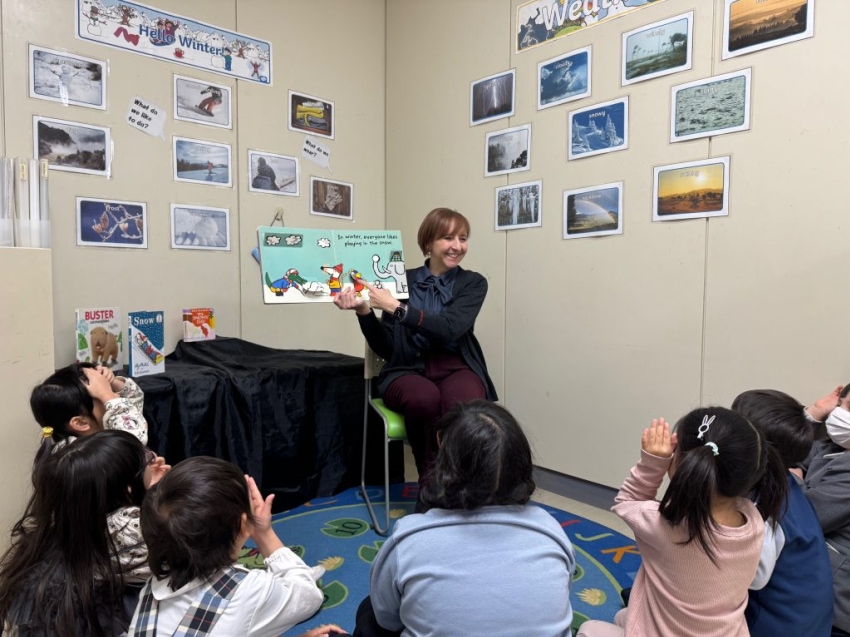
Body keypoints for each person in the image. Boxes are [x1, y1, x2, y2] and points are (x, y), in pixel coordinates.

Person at [354, 400, 575, 637]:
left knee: (369, 612)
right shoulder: (551, 532)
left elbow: (387, 619)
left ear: (444, 461)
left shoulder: (408, 539)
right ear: (522, 464)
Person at [577, 408, 787, 637]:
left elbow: (628, 501)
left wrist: (653, 463)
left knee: (589, 629)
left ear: (683, 466)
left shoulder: (662, 525)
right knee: (623, 616)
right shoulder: (754, 521)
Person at [334, 208, 496, 492]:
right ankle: (432, 483)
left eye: (463, 238)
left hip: (456, 367)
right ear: (429, 243)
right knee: (423, 400)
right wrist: (363, 311)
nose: (458, 246)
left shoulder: (474, 283)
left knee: (465, 405)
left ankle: (462, 484)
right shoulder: (398, 280)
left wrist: (395, 307)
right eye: (448, 237)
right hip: (406, 369)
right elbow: (385, 346)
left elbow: (449, 328)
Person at [130, 456, 342, 637]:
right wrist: (264, 533)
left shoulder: (151, 589)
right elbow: (308, 596)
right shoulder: (250, 588)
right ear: (243, 526)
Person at [0, 430, 169, 636]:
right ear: (128, 489)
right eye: (148, 461)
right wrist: (159, 503)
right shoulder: (150, 545)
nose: (155, 461)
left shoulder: (44, 548)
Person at [732, 389, 833, 637]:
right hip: (809, 622)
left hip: (776, 625)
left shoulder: (763, 507)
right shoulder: (784, 481)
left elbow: (750, 579)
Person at [798, 384, 850, 636]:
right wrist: (814, 414)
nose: (842, 415)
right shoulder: (831, 448)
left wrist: (794, 479)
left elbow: (805, 515)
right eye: (844, 407)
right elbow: (788, 453)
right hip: (815, 596)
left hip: (837, 610)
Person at [30, 361, 148, 459]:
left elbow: (133, 404)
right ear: (81, 423)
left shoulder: (110, 425)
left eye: (111, 391)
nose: (116, 398)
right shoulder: (82, 456)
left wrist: (112, 383)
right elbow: (135, 439)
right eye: (105, 398)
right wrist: (107, 394)